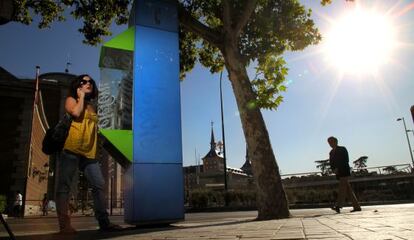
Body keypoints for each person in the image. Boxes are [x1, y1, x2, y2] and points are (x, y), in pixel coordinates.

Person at [55, 74, 121, 234]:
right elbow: (76, 114)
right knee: (64, 187)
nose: (88, 83)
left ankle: (104, 223)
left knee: (98, 185)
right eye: (84, 81)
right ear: (78, 85)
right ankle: (64, 226)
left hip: (90, 153)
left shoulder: (93, 106)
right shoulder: (72, 100)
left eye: (90, 81)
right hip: (71, 149)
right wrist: (81, 97)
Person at [327, 136, 361, 213]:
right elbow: (331, 163)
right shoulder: (331, 152)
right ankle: (357, 207)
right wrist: (334, 169)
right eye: (329, 143)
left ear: (336, 141)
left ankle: (338, 205)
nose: (330, 144)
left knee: (342, 188)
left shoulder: (342, 149)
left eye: (331, 142)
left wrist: (338, 168)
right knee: (348, 190)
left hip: (344, 171)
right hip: (338, 173)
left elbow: (346, 160)